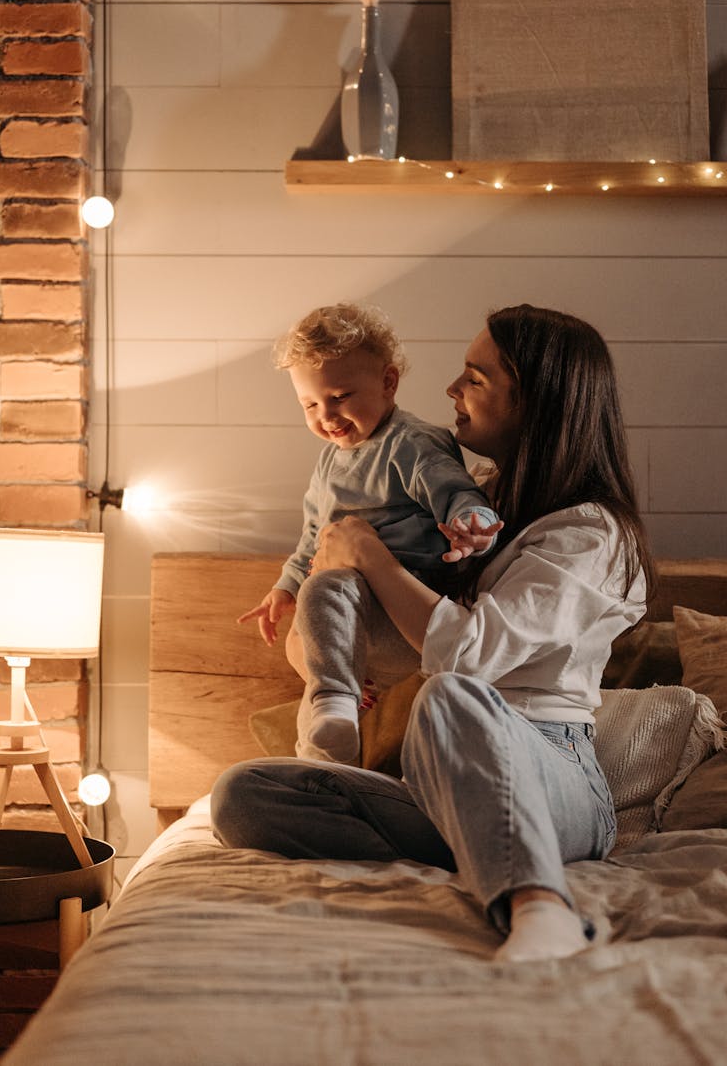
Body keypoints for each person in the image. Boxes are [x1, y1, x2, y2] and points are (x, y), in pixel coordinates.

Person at [213, 303, 655, 963]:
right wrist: (325, 643)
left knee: (448, 696)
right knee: (243, 796)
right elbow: (324, 628)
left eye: (474, 377)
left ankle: (542, 905)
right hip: (438, 768)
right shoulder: (472, 508)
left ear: (536, 398)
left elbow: (469, 659)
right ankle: (481, 831)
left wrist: (369, 553)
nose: (451, 390)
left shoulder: (591, 534)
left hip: (551, 766)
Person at [241, 303, 502, 764]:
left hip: (408, 610)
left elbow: (456, 492)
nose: (327, 414)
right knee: (312, 615)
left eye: (340, 396)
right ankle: (324, 758)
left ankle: (334, 704)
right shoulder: (329, 462)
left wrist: (473, 524)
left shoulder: (412, 443)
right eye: (311, 404)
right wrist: (284, 587)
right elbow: (314, 538)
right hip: (352, 618)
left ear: (388, 382)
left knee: (326, 587)